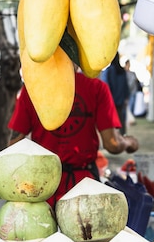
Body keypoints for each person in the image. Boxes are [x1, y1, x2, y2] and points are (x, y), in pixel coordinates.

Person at [8, 68, 139, 207]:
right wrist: (129, 142)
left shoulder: (33, 90)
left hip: (44, 187)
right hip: (84, 189)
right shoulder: (96, 87)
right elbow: (112, 144)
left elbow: (14, 145)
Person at [103, 52, 131, 135]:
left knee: (111, 119)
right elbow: (126, 86)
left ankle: (113, 136)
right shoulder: (122, 71)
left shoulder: (109, 71)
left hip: (111, 100)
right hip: (120, 100)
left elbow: (106, 85)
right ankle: (122, 134)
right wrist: (126, 97)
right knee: (121, 117)